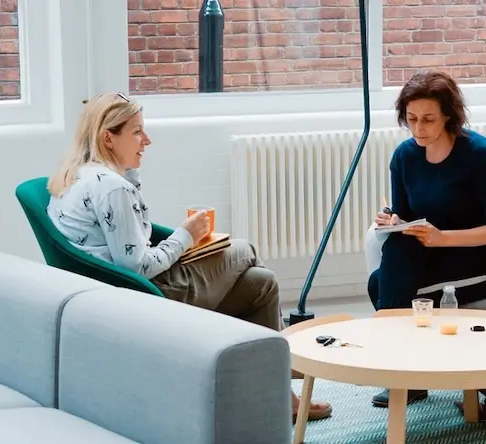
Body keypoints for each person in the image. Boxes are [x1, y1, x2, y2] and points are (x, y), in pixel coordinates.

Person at [45, 92, 332, 423]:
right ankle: (282, 365)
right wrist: (185, 236)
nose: (147, 140)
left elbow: (129, 243)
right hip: (147, 295)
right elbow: (136, 265)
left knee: (261, 283)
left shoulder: (81, 175)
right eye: (137, 131)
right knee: (244, 250)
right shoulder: (112, 188)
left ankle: (280, 394)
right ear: (108, 138)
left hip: (116, 293)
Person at [367, 71, 486, 418]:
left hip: (481, 260)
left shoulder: (479, 155)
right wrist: (394, 222)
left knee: (383, 283)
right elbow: (407, 216)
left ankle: (401, 369)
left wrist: (443, 238)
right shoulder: (405, 157)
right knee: (382, 275)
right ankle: (408, 368)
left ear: (449, 117)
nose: (418, 128)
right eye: (411, 119)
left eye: (428, 119)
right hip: (434, 258)